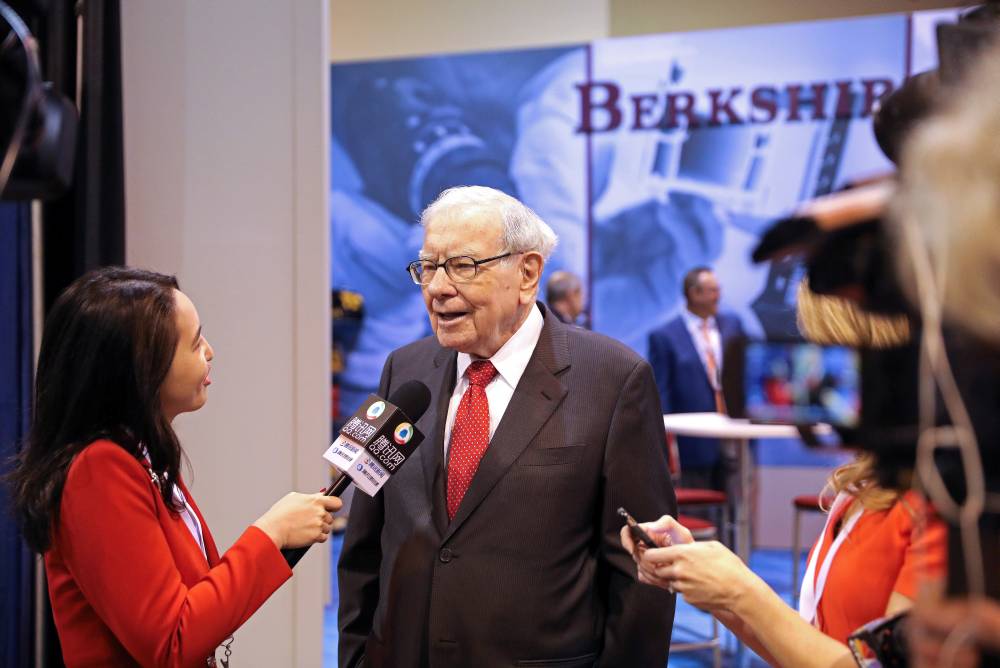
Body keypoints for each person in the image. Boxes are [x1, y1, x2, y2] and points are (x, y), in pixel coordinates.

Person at [338, 186, 676, 667]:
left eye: (463, 266)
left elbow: (640, 576)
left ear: (528, 273)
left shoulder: (614, 380)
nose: (436, 287)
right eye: (428, 267)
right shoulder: (403, 370)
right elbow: (363, 550)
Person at [7, 267, 342, 667]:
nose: (210, 351)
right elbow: (172, 641)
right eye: (195, 341)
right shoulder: (99, 468)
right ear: (141, 368)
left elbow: (199, 598)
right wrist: (271, 533)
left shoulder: (141, 455)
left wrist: (281, 537)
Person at [622, 282, 947, 668]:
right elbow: (808, 646)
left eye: (817, 350)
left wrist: (740, 591)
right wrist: (717, 584)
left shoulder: (939, 502)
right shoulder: (867, 485)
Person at [647, 266, 745, 490]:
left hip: (734, 433)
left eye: (718, 289)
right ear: (694, 293)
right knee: (698, 506)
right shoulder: (665, 336)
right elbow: (662, 391)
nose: (717, 296)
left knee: (736, 500)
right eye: (711, 290)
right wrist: (666, 443)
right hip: (692, 442)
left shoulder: (732, 326)